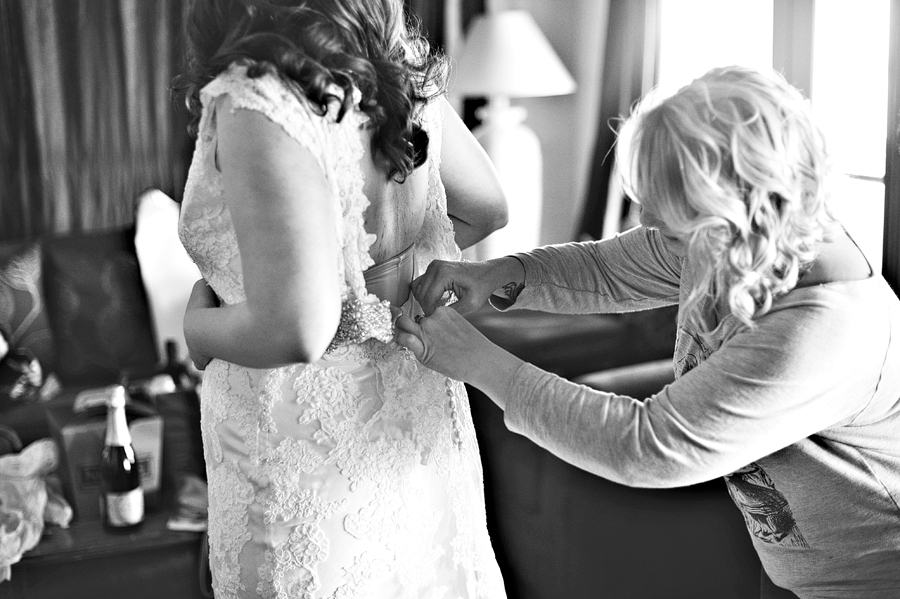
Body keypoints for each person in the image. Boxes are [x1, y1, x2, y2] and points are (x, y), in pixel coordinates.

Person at [396, 65, 900, 599]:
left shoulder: (822, 330)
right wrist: (501, 275)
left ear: (730, 213)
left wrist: (478, 361)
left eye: (672, 228)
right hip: (795, 571)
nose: (655, 233)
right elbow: (609, 269)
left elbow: (648, 445)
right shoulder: (745, 242)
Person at [175, 0, 509, 597]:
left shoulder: (259, 94)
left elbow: (297, 329)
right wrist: (394, 291)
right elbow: (486, 208)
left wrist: (198, 332)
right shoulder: (397, 68)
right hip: (416, 404)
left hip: (299, 438)